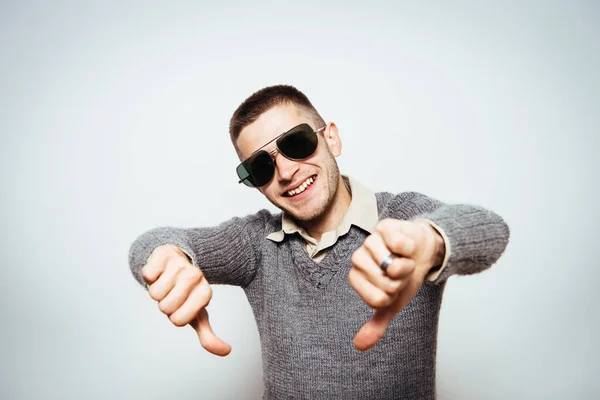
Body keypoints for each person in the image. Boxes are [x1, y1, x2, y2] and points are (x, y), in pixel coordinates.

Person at [128, 85, 510, 399]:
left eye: (296, 143)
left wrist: (431, 243)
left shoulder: (403, 219)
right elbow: (158, 241)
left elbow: (489, 228)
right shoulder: (255, 243)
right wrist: (167, 257)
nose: (286, 172)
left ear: (332, 138)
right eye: (260, 166)